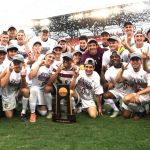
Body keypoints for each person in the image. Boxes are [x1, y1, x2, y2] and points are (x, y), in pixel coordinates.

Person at [116, 52, 150, 120]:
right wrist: (122, 70)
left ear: (140, 61)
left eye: (137, 60)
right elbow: (118, 80)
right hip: (139, 94)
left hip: (147, 94)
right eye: (133, 60)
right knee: (126, 114)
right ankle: (141, 111)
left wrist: (137, 94)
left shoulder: (146, 71)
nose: (135, 62)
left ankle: (144, 109)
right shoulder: (129, 71)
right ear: (130, 62)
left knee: (127, 99)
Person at [28, 51, 56, 122]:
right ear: (45, 56)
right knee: (34, 89)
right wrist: (39, 65)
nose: (51, 59)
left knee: (43, 113)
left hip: (42, 90)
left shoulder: (52, 68)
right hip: (34, 87)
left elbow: (50, 83)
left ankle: (48, 110)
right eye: (49, 57)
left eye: (53, 58)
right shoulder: (37, 63)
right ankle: (32, 113)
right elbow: (30, 76)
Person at [1, 54, 29, 119]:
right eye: (15, 63)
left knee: (26, 91)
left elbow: (24, 87)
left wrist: (23, 78)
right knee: (9, 116)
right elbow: (2, 85)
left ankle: (23, 112)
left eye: (18, 63)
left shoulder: (25, 70)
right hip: (7, 95)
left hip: (17, 93)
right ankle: (16, 106)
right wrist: (9, 72)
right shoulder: (8, 69)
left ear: (22, 63)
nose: (16, 65)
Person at [103, 51, 131, 118]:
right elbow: (106, 83)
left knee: (126, 116)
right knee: (105, 95)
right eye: (112, 57)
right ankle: (116, 109)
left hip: (129, 92)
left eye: (116, 57)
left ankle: (136, 111)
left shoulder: (128, 65)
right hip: (117, 91)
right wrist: (109, 83)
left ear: (120, 58)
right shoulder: (109, 70)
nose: (114, 58)